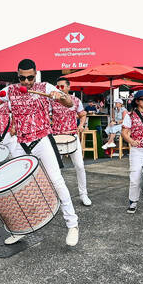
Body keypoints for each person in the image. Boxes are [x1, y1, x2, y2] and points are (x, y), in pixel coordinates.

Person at [0, 59, 79, 247]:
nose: (26, 82)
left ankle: (72, 225)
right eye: (22, 78)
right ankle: (19, 228)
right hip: (21, 143)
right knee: (13, 185)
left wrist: (60, 96)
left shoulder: (44, 87)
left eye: (29, 77)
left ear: (35, 74)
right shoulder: (10, 91)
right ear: (18, 75)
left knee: (56, 181)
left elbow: (69, 103)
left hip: (42, 141)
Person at [50, 77, 91, 206]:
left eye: (62, 86)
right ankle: (55, 195)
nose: (59, 89)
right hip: (57, 137)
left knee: (79, 166)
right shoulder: (52, 101)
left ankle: (83, 194)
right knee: (55, 169)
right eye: (57, 86)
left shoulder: (75, 100)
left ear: (69, 87)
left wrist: (81, 125)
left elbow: (83, 114)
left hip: (72, 136)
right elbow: (47, 116)